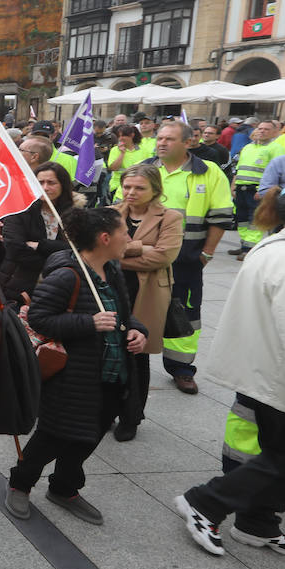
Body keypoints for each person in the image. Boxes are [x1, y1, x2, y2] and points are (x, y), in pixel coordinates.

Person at [174, 182, 285, 561]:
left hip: (273, 374)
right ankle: (205, 502)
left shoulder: (283, 248)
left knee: (284, 454)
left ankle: (258, 524)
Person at [6, 208, 148, 525]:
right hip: (74, 377)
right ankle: (20, 483)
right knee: (52, 437)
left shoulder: (111, 271)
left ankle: (64, 488)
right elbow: (40, 318)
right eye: (125, 231)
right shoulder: (67, 274)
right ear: (105, 238)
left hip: (112, 375)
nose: (129, 237)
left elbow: (122, 315)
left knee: (88, 437)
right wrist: (88, 322)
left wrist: (138, 330)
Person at [148, 121, 232, 394]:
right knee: (138, 308)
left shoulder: (209, 172)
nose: (162, 143)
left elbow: (221, 216)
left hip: (187, 260)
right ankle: (132, 360)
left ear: (188, 142)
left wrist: (207, 253)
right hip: (145, 258)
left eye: (169, 139)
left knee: (185, 313)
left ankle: (181, 369)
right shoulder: (146, 170)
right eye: (159, 138)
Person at [110, 164, 183, 440]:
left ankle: (131, 417)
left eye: (139, 188)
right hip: (114, 290)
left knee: (137, 356)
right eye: (127, 186)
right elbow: (99, 249)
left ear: (155, 190)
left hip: (148, 292)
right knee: (109, 351)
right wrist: (141, 248)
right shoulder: (112, 212)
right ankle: (107, 410)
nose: (131, 192)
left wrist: (120, 253)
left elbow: (163, 257)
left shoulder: (170, 218)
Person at [0, 162, 76, 304]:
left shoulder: (74, 214)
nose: (45, 188)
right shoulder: (19, 210)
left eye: (51, 183)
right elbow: (15, 248)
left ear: (63, 185)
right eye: (40, 182)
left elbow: (77, 249)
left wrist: (40, 246)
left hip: (59, 287)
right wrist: (55, 260)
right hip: (18, 285)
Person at [229, 123, 274, 256]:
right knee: (241, 218)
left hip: (256, 190)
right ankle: (244, 244)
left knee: (254, 219)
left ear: (274, 132)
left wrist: (263, 190)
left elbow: (275, 171)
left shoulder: (275, 148)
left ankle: (249, 248)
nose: (262, 131)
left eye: (266, 129)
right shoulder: (247, 147)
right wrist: (234, 185)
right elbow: (238, 168)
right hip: (241, 188)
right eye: (260, 129)